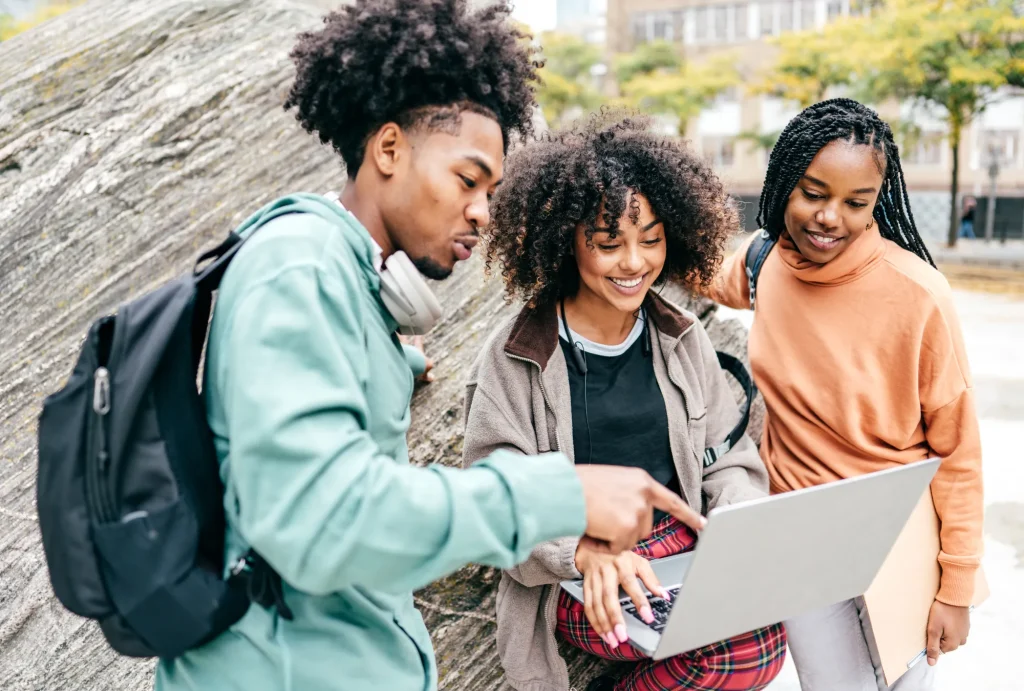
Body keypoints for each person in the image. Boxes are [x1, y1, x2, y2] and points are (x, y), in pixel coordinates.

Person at [154, 4, 704, 691]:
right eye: (468, 180)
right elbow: (322, 523)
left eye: (492, 191)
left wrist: (397, 361)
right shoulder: (299, 271)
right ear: (389, 149)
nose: (483, 211)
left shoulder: (346, 282)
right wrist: (562, 492)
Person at [462, 113, 788, 691]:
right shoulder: (515, 356)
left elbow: (729, 461)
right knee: (739, 653)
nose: (634, 262)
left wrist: (736, 527)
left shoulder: (683, 337)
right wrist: (581, 552)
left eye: (652, 239)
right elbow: (496, 492)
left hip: (682, 547)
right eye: (609, 243)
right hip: (577, 568)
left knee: (768, 634)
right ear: (567, 240)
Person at [705, 99, 983, 691]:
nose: (830, 217)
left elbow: (958, 453)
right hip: (801, 536)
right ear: (783, 182)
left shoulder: (919, 294)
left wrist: (956, 588)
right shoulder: (764, 263)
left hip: (899, 539)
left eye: (857, 203)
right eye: (813, 193)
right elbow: (689, 269)